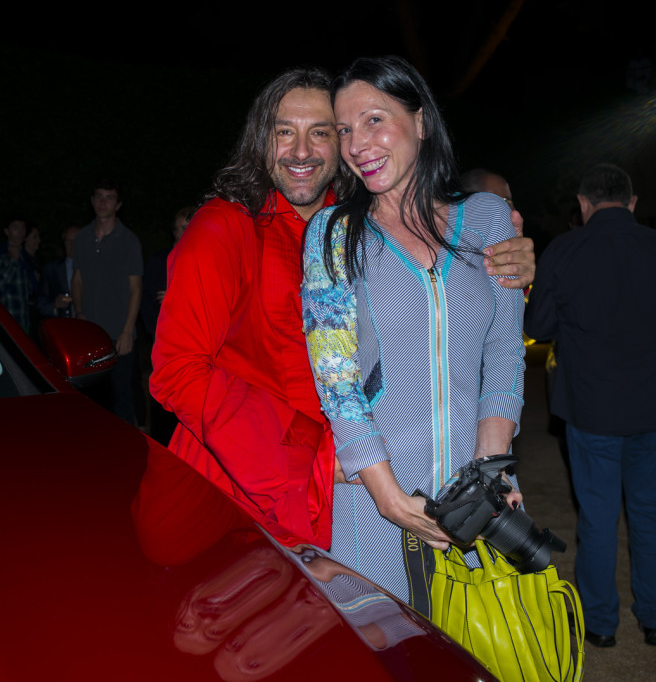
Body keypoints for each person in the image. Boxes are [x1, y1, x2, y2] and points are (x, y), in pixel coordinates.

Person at [149, 65, 535, 550]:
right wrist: (311, 459)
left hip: (339, 495)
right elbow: (178, 372)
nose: (302, 151)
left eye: (324, 133)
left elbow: (450, 321)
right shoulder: (222, 229)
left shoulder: (353, 227)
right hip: (238, 494)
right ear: (259, 140)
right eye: (284, 132)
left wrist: (509, 267)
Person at [301, 56, 526, 604]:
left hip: (482, 497)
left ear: (420, 121)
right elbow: (338, 379)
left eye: (374, 120)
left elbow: (502, 348)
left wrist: (492, 466)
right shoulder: (333, 234)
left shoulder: (488, 218)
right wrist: (389, 497)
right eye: (345, 131)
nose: (357, 145)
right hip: (375, 505)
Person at [524, 163, 656, 648]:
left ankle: (600, 625)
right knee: (652, 513)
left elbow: (539, 326)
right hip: (654, 407)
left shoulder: (564, 250)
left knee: (598, 516)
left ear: (584, 206)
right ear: (632, 203)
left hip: (592, 409)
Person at [72, 179, 143, 424]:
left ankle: (128, 454)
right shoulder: (81, 238)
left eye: (109, 197)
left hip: (118, 334)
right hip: (90, 333)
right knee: (91, 398)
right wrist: (79, 312)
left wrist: (127, 331)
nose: (103, 202)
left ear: (118, 204)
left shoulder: (129, 240)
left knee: (121, 396)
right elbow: (78, 278)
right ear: (92, 201)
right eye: (99, 196)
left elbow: (136, 289)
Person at [142, 206, 197, 445]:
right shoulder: (158, 261)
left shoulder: (203, 257)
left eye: (185, 227)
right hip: (164, 341)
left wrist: (176, 296)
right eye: (176, 229)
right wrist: (154, 335)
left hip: (194, 344)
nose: (179, 233)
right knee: (162, 400)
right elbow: (146, 302)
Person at [0, 218, 38, 332]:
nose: (20, 232)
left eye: (23, 228)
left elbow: (31, 290)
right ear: (7, 231)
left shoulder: (25, 256)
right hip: (7, 319)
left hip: (24, 319)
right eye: (16, 228)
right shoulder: (1, 253)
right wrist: (13, 261)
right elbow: (0, 285)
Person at [39, 226, 81, 318]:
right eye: (68, 241)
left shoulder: (95, 269)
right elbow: (40, 304)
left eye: (76, 241)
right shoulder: (51, 270)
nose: (72, 245)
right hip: (62, 326)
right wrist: (54, 305)